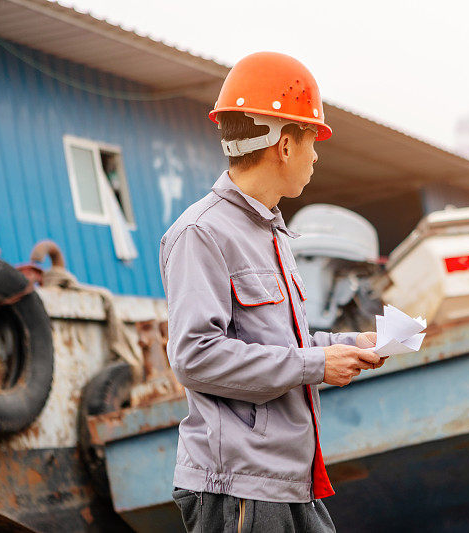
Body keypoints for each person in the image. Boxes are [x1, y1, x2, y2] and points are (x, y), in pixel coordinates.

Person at [159, 51, 386, 533]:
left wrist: (343, 346)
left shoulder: (272, 233)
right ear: (284, 145)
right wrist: (316, 364)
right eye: (311, 140)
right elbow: (195, 357)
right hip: (238, 487)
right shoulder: (201, 233)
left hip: (286, 479)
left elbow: (279, 343)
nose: (316, 155)